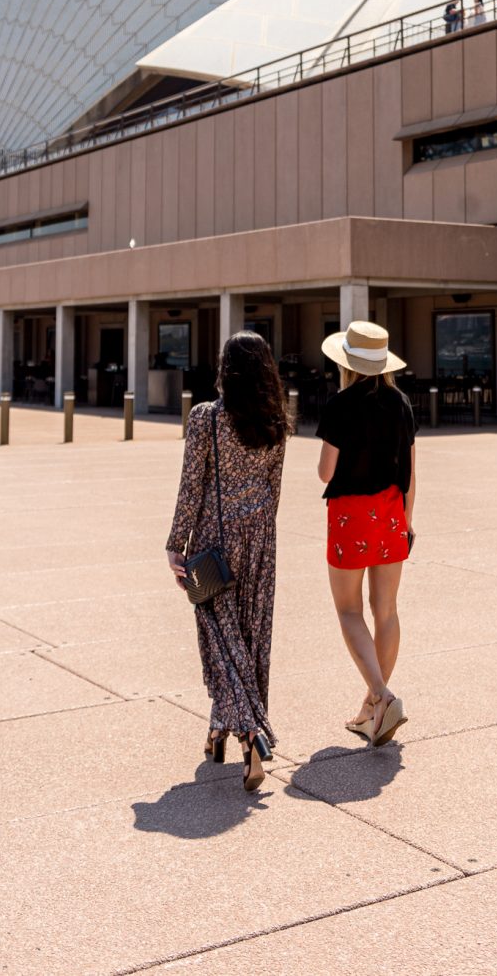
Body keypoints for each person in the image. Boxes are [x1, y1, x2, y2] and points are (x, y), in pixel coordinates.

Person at [166, 331, 289, 791]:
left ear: (225, 369)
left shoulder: (207, 418)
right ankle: (219, 731)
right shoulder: (276, 420)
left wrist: (177, 543)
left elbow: (191, 485)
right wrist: (260, 532)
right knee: (250, 639)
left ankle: (251, 734)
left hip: (214, 543)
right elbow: (274, 487)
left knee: (219, 639)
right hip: (261, 539)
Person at [316, 320, 416, 748]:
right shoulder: (402, 403)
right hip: (392, 513)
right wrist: (407, 523)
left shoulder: (340, 405)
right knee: (386, 611)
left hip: (350, 518)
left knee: (349, 611)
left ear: (347, 364)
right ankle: (371, 712)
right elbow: (411, 473)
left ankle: (381, 695)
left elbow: (326, 471)